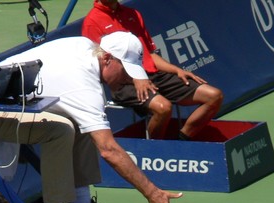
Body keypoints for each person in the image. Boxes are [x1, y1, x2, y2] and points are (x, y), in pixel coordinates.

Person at [0, 32, 181, 203]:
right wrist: (152, 194)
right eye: (126, 70)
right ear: (107, 58)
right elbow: (108, 150)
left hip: (7, 102)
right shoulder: (83, 85)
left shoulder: (87, 47)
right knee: (60, 129)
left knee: (85, 121)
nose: (128, 79)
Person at [82, 0, 223, 141]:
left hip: (154, 75)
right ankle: (155, 151)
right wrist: (135, 78)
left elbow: (150, 54)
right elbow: (99, 66)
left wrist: (176, 70)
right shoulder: (92, 22)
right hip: (123, 82)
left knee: (214, 96)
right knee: (163, 108)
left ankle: (181, 141)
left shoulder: (133, 14)